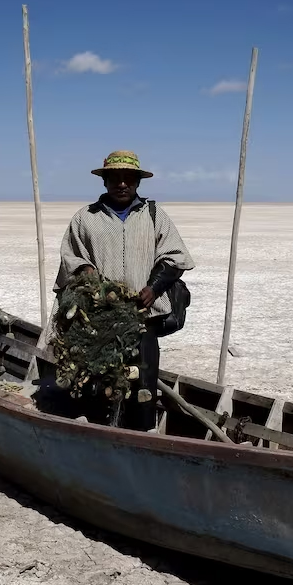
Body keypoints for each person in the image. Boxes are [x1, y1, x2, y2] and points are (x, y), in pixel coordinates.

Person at [56, 150, 195, 430]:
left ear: (137, 182)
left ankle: (143, 434)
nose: (122, 184)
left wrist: (154, 288)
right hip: (98, 321)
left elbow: (175, 257)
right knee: (96, 380)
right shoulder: (85, 218)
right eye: (115, 178)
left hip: (144, 317)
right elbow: (71, 258)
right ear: (105, 181)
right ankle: (96, 431)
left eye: (128, 179)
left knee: (143, 384)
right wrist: (86, 271)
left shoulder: (154, 215)